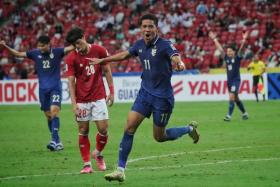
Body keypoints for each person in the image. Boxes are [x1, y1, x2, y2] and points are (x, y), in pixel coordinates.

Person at [87, 14, 200, 182]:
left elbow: (175, 57)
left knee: (159, 137)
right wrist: (103, 60)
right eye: (144, 26)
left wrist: (180, 64)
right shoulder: (139, 45)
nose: (147, 30)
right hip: (144, 94)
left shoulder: (165, 44)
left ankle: (189, 129)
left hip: (163, 99)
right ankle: (120, 170)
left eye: (150, 26)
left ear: (156, 28)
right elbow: (123, 55)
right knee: (129, 128)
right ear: (141, 29)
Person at [0, 36, 74, 151]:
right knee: (48, 116)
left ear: (48, 44)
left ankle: (54, 141)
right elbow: (18, 54)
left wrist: (80, 40)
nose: (40, 48)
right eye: (38, 45)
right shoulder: (35, 53)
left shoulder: (58, 52)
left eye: (42, 46)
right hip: (43, 90)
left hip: (55, 88)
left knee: (54, 112)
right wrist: (5, 46)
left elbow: (71, 47)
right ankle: (58, 141)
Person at [65, 27, 114, 174]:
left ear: (84, 37)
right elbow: (71, 82)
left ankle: (97, 153)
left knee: (103, 129)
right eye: (75, 45)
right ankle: (87, 165)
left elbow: (107, 71)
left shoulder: (99, 50)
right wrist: (74, 104)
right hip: (82, 100)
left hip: (99, 97)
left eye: (79, 43)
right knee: (83, 130)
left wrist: (111, 92)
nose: (78, 47)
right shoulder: (71, 58)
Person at [209, 31, 249, 122]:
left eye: (230, 51)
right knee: (236, 99)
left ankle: (229, 116)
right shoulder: (226, 58)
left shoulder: (237, 58)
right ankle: (245, 113)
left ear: (234, 52)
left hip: (236, 81)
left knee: (231, 96)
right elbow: (220, 49)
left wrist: (244, 40)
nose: (228, 52)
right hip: (229, 82)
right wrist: (214, 39)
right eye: (228, 51)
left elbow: (241, 50)